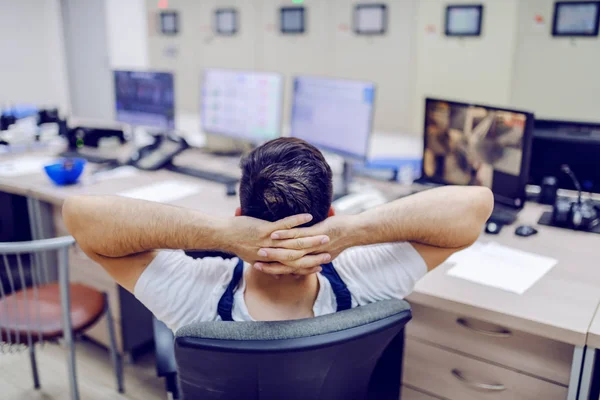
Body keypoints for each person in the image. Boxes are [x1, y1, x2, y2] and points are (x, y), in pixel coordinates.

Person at [63, 138, 493, 331]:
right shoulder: (367, 282)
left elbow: (81, 216)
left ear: (238, 214)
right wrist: (350, 230)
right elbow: (474, 206)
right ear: (329, 212)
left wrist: (219, 234)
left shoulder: (191, 296)